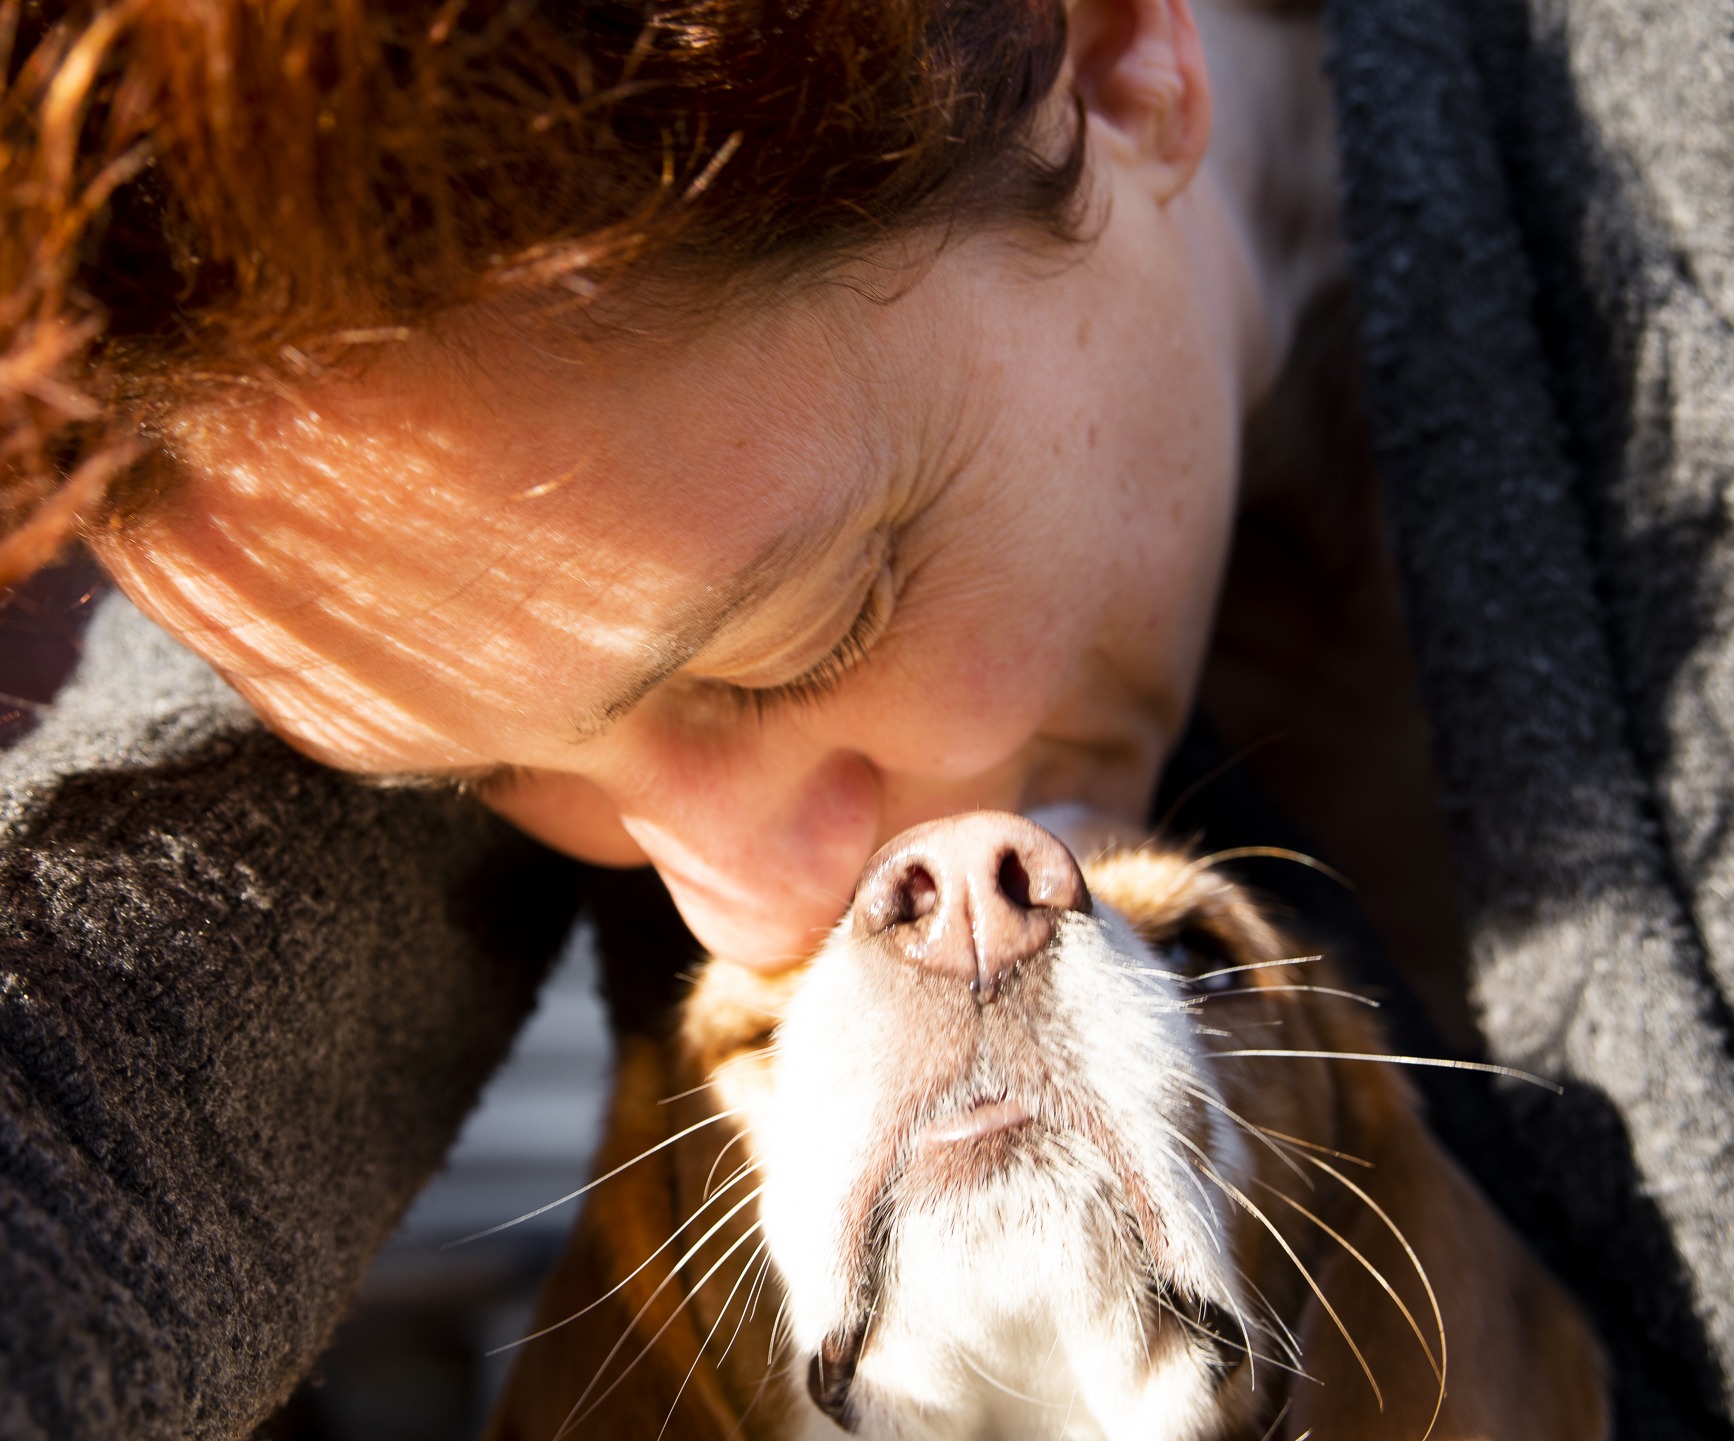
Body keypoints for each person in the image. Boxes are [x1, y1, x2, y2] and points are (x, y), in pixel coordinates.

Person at [0, 0, 1730, 1437]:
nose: (749, 917)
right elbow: (90, 1090)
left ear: (1119, 55)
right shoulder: (345, 523)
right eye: (483, 772)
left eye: (802, 634)